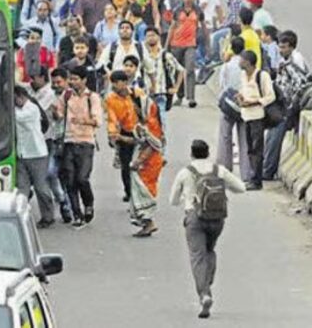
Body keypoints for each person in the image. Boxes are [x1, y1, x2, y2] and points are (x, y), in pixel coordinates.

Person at [170, 139, 247, 319]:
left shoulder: (185, 172)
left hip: (194, 218)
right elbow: (241, 188)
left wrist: (186, 199)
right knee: (210, 250)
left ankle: (204, 294)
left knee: (197, 257)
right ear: (208, 153)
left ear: (191, 153)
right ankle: (207, 282)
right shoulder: (218, 170)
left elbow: (172, 200)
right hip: (217, 218)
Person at [55, 66, 102, 228]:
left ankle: (88, 204)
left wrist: (83, 121)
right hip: (68, 141)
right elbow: (59, 114)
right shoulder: (66, 95)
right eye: (71, 79)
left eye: (76, 79)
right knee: (70, 181)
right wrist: (56, 112)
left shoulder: (93, 98)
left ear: (84, 80)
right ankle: (77, 214)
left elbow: (98, 121)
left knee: (82, 178)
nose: (73, 82)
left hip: (86, 142)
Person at [263, 29, 312, 181]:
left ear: (291, 47)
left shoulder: (294, 62)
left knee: (274, 138)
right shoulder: (287, 60)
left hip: (287, 107)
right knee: (270, 136)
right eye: (280, 47)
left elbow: (299, 85)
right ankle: (266, 168)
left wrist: (289, 106)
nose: (281, 50)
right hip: (281, 104)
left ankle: (268, 171)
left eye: (284, 47)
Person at [14, 85, 56, 227]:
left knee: (40, 187)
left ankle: (48, 216)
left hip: (37, 154)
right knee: (22, 188)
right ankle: (20, 215)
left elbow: (19, 118)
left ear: (21, 96)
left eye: (14, 99)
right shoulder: (17, 109)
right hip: (21, 154)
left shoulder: (32, 109)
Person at [128, 81, 164, 238]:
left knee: (144, 191)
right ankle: (146, 223)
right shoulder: (142, 121)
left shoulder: (150, 123)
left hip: (149, 163)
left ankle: (148, 223)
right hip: (146, 161)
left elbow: (152, 144)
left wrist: (138, 161)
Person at [216, 36, 253, 183]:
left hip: (228, 104)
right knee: (244, 138)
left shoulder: (226, 66)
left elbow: (222, 85)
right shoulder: (247, 66)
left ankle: (225, 169)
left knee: (225, 136)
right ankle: (246, 173)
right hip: (244, 103)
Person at [238, 49, 275, 190]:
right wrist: (240, 98)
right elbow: (243, 90)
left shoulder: (262, 75)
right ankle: (252, 177)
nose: (239, 62)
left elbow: (270, 96)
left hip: (257, 116)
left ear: (248, 62)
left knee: (257, 149)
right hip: (246, 116)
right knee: (250, 149)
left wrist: (254, 102)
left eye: (241, 60)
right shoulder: (243, 75)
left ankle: (256, 180)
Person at [44, 68, 74, 223]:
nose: (56, 85)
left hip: (68, 140)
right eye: (53, 82)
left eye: (59, 82)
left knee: (67, 177)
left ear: (66, 81)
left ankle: (68, 207)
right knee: (50, 173)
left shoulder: (71, 96)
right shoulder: (49, 96)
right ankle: (62, 200)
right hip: (52, 140)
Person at [106, 70, 140, 203]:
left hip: (140, 132)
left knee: (140, 164)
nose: (114, 86)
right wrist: (112, 135)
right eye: (113, 83)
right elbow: (112, 118)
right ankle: (129, 191)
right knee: (126, 165)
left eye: (117, 83)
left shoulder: (137, 94)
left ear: (125, 83)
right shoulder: (110, 99)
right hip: (124, 133)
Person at [167, 0, 204, 108]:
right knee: (178, 71)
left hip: (190, 44)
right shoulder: (177, 10)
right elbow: (172, 28)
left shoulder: (198, 11)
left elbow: (204, 28)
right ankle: (180, 95)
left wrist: (207, 45)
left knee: (190, 69)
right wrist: (166, 46)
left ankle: (191, 97)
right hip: (176, 44)